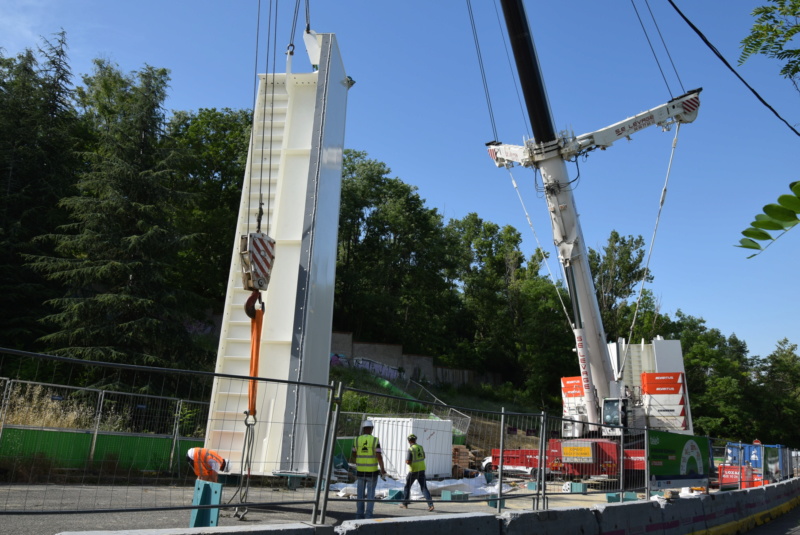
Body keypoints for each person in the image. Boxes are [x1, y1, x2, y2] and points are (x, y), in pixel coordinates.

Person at [351, 420, 387, 519]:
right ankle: (368, 516)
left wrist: (359, 459)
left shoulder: (357, 439)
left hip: (360, 471)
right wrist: (382, 469)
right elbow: (379, 456)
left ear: (363, 429)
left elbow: (353, 453)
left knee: (360, 495)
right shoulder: (375, 440)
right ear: (371, 429)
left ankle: (359, 515)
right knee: (370, 495)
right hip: (372, 472)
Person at [400, 434, 434, 511]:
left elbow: (408, 461)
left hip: (413, 471)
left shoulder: (411, 449)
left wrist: (406, 461)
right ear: (415, 440)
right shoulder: (420, 447)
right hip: (422, 469)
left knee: (407, 487)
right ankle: (430, 505)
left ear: (409, 441)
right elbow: (424, 457)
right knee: (424, 487)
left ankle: (405, 504)